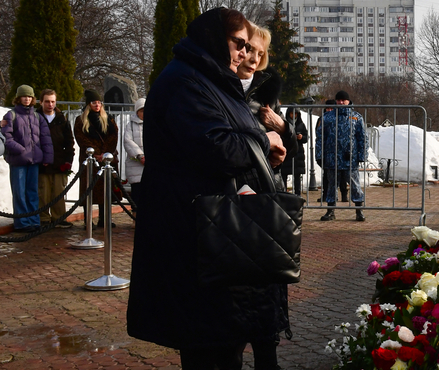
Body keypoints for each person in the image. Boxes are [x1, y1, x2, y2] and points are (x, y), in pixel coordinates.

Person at [127, 8, 290, 370]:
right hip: (191, 232)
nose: (245, 54)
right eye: (238, 43)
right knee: (207, 346)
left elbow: (232, 141)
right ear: (215, 38)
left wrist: (265, 154)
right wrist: (263, 143)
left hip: (213, 230)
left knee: (222, 340)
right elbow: (215, 146)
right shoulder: (186, 81)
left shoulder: (210, 80)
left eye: (249, 46)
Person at [235, 23, 297, 191]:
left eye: (261, 54)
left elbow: (291, 151)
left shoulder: (267, 93)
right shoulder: (218, 90)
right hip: (233, 189)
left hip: (267, 187)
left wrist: (283, 128)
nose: (255, 59)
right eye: (250, 49)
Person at [1, 85, 53, 232]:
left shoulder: (37, 116)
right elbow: (7, 137)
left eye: (29, 96)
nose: (27, 99)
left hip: (34, 161)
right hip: (18, 161)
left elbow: (45, 138)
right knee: (19, 192)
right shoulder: (11, 115)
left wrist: (46, 157)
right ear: (18, 98)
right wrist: (21, 150)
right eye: (24, 96)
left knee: (32, 192)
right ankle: (22, 223)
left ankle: (33, 220)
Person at [315, 90, 367, 221]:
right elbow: (320, 137)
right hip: (332, 159)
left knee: (355, 185)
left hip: (350, 158)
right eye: (338, 100)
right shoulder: (328, 117)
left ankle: (359, 211)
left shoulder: (356, 117)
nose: (341, 102)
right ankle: (330, 211)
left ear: (349, 101)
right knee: (332, 185)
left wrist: (362, 155)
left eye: (343, 100)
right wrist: (319, 155)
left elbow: (362, 138)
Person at [74, 89, 119, 228]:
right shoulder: (81, 120)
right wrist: (96, 153)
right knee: (89, 190)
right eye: (94, 102)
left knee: (105, 190)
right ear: (89, 104)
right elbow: (81, 138)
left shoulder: (108, 119)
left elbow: (113, 136)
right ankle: (88, 221)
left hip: (105, 158)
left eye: (99, 102)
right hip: (90, 160)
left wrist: (105, 153)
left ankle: (104, 219)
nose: (97, 105)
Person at [37, 89, 75, 228]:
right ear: (41, 102)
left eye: (53, 101)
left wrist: (68, 160)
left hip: (59, 161)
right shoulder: (36, 117)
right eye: (47, 101)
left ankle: (58, 218)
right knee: (43, 192)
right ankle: (43, 218)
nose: (50, 104)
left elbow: (69, 142)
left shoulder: (62, 119)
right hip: (42, 162)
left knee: (59, 192)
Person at [123, 98, 146, 224]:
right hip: (135, 165)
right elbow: (128, 141)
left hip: (150, 165)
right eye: (142, 111)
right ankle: (136, 219)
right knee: (137, 194)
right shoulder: (130, 125)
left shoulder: (154, 123)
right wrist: (140, 155)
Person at [282, 107, 307, 195]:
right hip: (288, 151)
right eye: (292, 113)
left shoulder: (301, 124)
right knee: (284, 174)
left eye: (295, 113)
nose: (294, 115)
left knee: (297, 176)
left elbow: (306, 138)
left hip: (298, 153)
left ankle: (298, 194)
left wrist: (301, 137)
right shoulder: (284, 124)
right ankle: (284, 193)